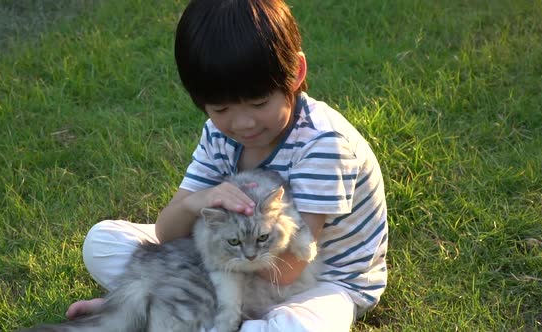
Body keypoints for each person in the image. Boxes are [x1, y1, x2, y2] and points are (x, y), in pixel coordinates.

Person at [66, 0, 388, 331]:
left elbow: (289, 267)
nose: (242, 123)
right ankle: (156, 304)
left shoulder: (324, 145)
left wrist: (210, 250)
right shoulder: (219, 137)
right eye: (221, 109)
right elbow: (167, 232)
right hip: (233, 259)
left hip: (318, 282)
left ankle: (158, 307)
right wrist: (197, 202)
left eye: (259, 102)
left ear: (295, 74)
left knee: (295, 327)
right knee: (102, 242)